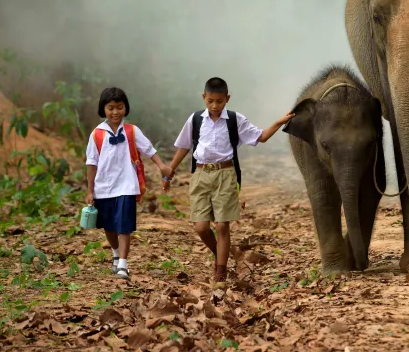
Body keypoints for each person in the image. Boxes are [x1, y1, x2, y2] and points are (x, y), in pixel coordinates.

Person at [164, 77, 294, 287]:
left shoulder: (235, 120)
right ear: (204, 98)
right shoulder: (196, 119)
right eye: (210, 101)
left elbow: (261, 137)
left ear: (227, 99)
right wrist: (169, 171)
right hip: (200, 174)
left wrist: (280, 122)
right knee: (200, 227)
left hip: (226, 174)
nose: (215, 106)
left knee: (223, 225)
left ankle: (220, 273)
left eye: (219, 101)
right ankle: (222, 253)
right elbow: (184, 146)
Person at [86, 87, 171, 280]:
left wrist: (162, 166)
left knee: (124, 225)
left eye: (119, 107)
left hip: (127, 185)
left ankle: (123, 264)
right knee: (108, 226)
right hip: (104, 187)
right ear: (103, 109)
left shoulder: (132, 131)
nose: (115, 112)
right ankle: (115, 253)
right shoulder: (97, 134)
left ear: (125, 108)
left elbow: (149, 149)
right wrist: (90, 190)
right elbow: (91, 163)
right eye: (110, 108)